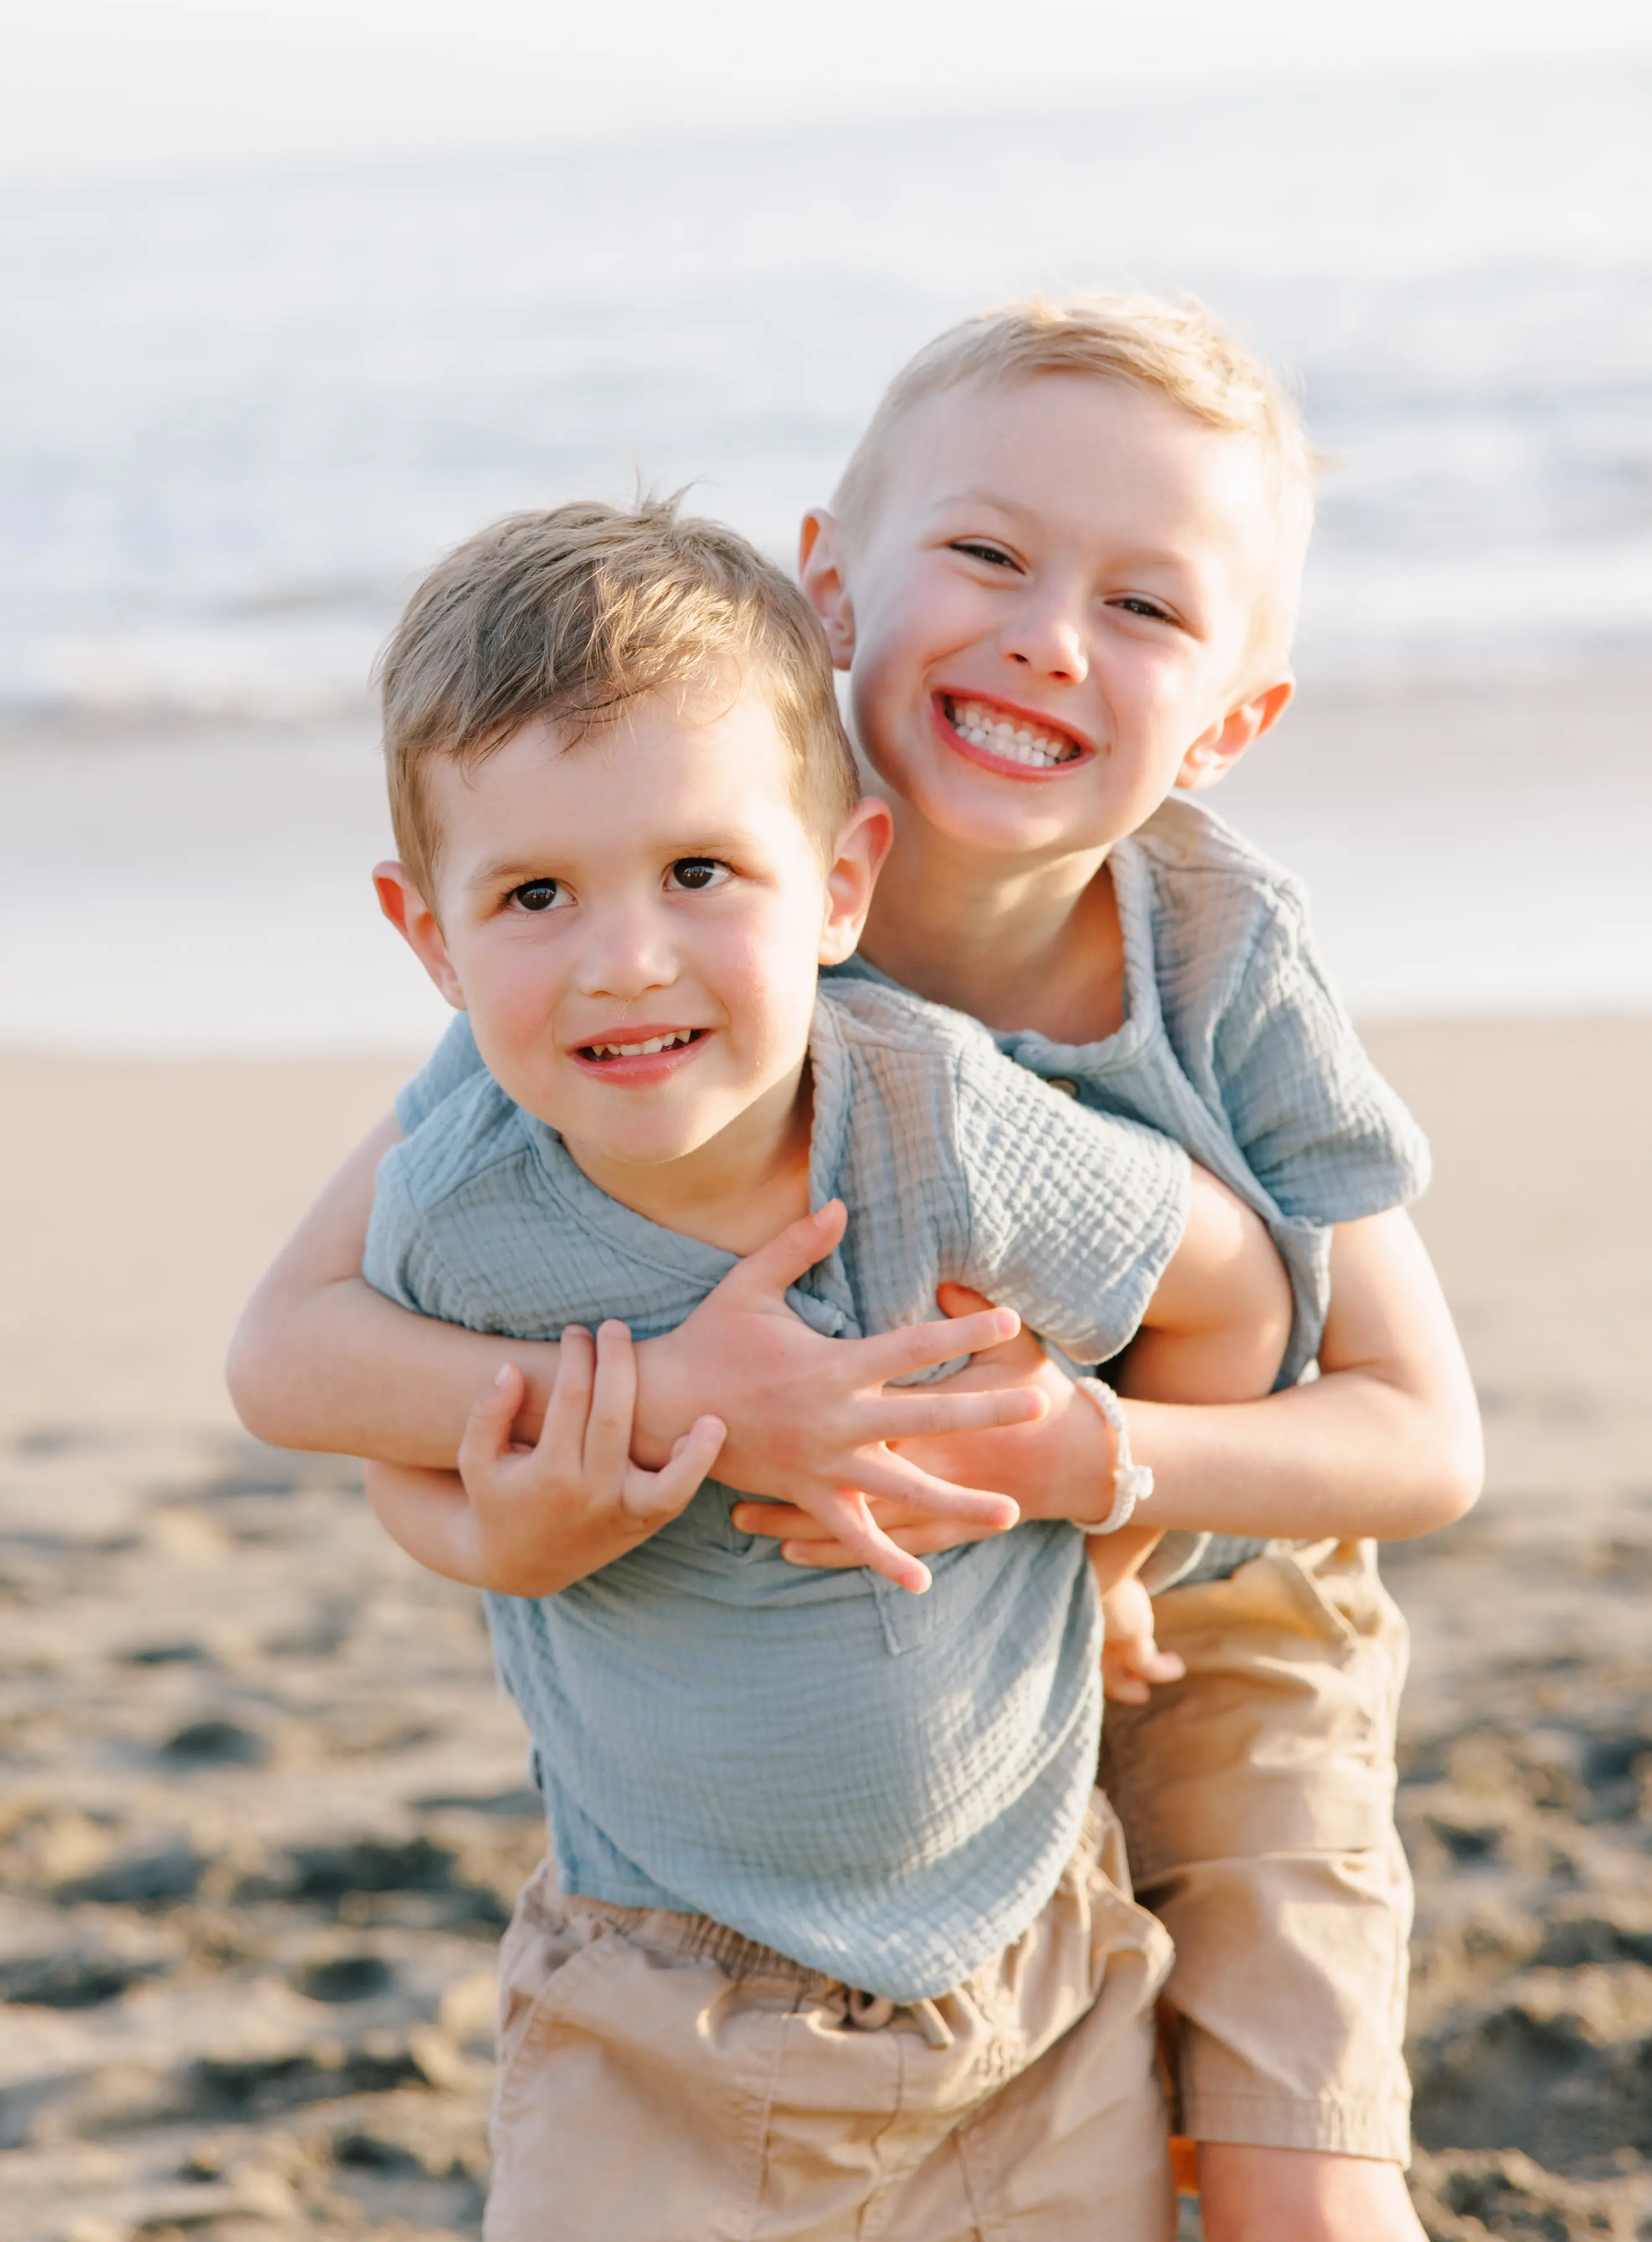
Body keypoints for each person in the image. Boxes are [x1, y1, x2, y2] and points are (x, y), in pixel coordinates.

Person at [229, 295, 1484, 2241]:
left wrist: (1105, 1499)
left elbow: (1412, 1436)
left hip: (1219, 1596)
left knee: (1303, 2199)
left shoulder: (1218, 956)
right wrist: (694, 1404)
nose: (1046, 633)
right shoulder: (681, 911)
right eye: (984, 553)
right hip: (894, 1652)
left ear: (1234, 712)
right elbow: (304, 1343)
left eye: (1145, 609)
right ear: (830, 586)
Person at [339, 495, 1303, 2236]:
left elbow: (1229, 1290)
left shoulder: (942, 1122)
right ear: (432, 937)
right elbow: (380, 1440)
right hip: (655, 1988)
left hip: (1031, 1974)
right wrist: (507, 1541)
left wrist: (1118, 1535)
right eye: (536, 895)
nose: (626, 954)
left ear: (838, 880)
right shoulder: (466, 1216)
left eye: (699, 872)